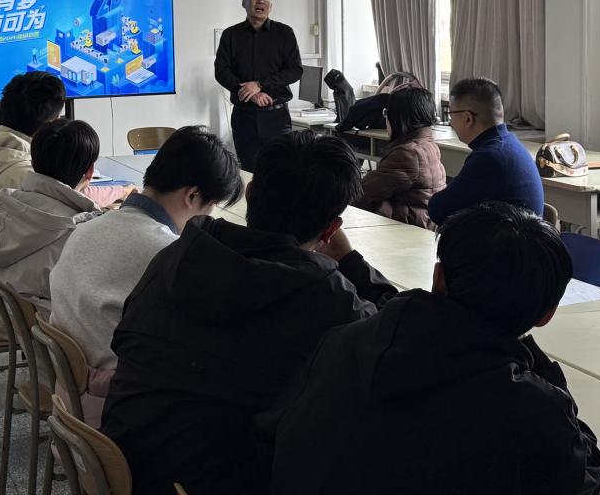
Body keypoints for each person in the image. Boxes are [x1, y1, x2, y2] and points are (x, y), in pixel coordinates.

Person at [101, 131, 396, 495]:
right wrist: (349, 259)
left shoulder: (177, 255)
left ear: (251, 193)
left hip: (123, 466)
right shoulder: (329, 301)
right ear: (331, 229)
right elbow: (397, 338)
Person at [261, 202, 600, 495]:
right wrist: (545, 376)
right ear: (546, 315)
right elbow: (583, 474)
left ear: (438, 278)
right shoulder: (531, 407)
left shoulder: (344, 341)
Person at [49, 125, 242, 426]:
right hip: (120, 417)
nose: (210, 217)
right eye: (211, 206)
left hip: (71, 406)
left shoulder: (86, 227)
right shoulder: (169, 254)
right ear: (192, 195)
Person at [0, 71, 131, 249]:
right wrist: (123, 191)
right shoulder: (26, 171)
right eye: (58, 119)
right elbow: (76, 199)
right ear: (47, 125)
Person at [0, 119, 103, 339]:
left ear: (34, 162)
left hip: (16, 324)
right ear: (90, 171)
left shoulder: (7, 205)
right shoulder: (79, 234)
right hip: (58, 342)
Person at [428, 77, 543, 224]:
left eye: (451, 115)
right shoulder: (509, 144)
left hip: (508, 238)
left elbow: (439, 210)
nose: (451, 122)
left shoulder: (490, 157)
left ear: (468, 118)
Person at [214, 0, 302, 171]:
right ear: (244, 3)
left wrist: (260, 84)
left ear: (271, 5)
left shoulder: (285, 33)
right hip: (244, 117)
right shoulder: (230, 35)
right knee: (248, 172)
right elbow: (221, 71)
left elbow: (295, 70)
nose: (261, 0)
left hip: (276, 118)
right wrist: (250, 93)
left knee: (281, 172)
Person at [353, 86, 446, 228]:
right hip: (427, 222)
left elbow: (364, 192)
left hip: (410, 228)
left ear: (397, 117)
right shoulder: (428, 145)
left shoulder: (407, 154)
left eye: (386, 113)